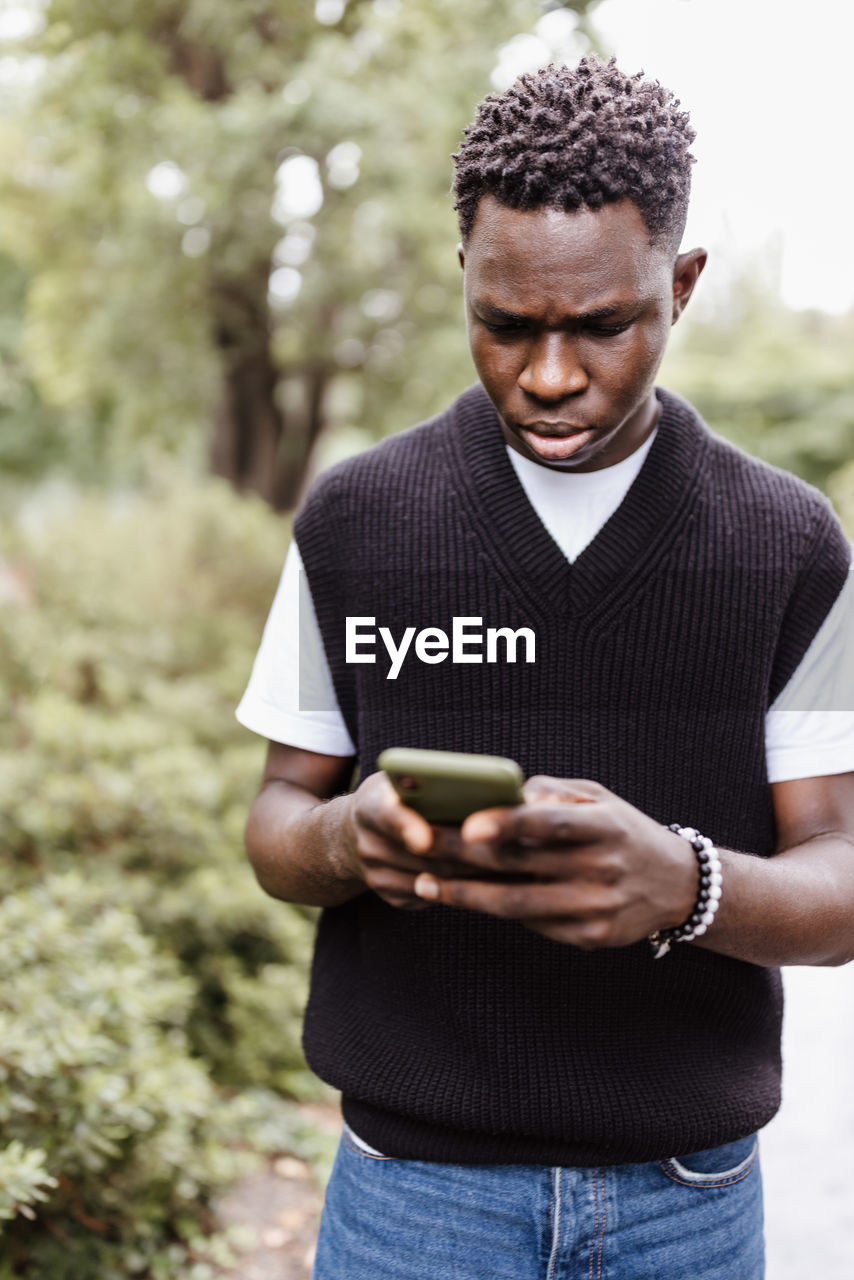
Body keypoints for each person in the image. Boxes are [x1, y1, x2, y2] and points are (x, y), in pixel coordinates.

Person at [236, 55, 854, 1279]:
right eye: (505, 325)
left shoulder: (786, 546)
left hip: (687, 1199)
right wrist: (349, 839)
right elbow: (273, 821)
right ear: (461, 273)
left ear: (678, 285)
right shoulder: (357, 520)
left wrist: (684, 884)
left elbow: (838, 886)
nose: (551, 375)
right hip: (409, 1199)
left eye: (602, 324)